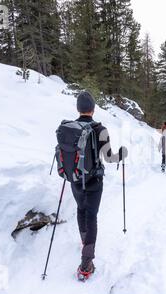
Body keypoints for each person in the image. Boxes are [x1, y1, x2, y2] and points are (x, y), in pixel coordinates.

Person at [68, 91, 127, 280]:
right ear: (93, 109)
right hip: (94, 181)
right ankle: (86, 263)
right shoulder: (100, 129)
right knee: (91, 215)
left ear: (78, 109)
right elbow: (109, 158)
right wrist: (122, 154)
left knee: (80, 209)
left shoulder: (70, 128)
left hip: (75, 179)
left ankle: (84, 241)